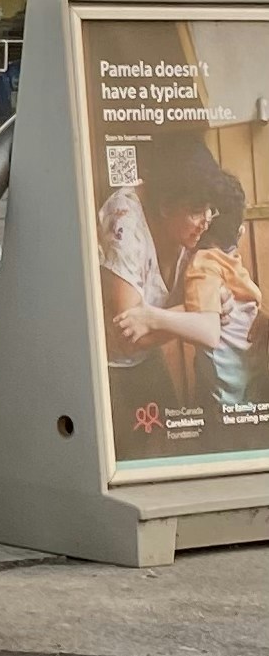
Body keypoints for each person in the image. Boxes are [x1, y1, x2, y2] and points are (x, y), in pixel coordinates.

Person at [98, 124, 262, 452]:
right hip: (107, 367)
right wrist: (196, 312)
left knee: (177, 446)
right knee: (135, 452)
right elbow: (129, 337)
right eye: (196, 211)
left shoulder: (201, 224)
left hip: (149, 357)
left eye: (210, 209)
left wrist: (164, 316)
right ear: (164, 207)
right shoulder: (125, 222)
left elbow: (213, 307)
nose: (206, 220)